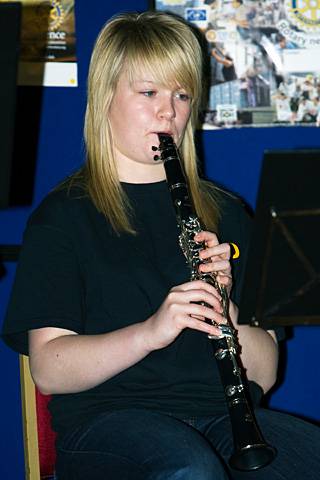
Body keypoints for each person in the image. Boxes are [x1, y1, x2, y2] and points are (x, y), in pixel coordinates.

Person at [2, 10, 320, 480]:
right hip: (108, 424)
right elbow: (49, 369)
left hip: (224, 419)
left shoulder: (226, 213)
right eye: (149, 92)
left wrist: (225, 305)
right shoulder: (65, 216)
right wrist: (151, 332)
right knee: (189, 469)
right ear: (106, 96)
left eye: (182, 94)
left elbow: (266, 373)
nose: (168, 111)